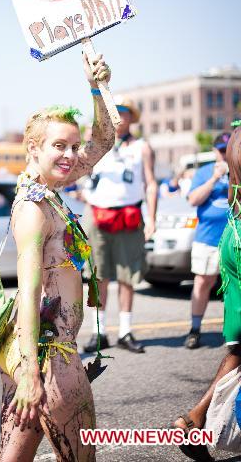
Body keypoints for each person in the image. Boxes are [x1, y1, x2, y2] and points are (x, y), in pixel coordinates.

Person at [0, 52, 114, 461]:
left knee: (13, 456)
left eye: (73, 145)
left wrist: (97, 88)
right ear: (33, 147)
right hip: (50, 356)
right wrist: (30, 373)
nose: (70, 155)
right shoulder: (33, 208)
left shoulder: (48, 194)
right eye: (59, 146)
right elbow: (27, 293)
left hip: (38, 352)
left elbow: (105, 139)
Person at [173, 124, 241, 462]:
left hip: (232, 234)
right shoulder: (212, 166)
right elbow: (196, 198)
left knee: (239, 348)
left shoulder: (237, 138)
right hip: (230, 236)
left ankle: (193, 420)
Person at [83, 96, 158, 354]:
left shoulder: (141, 147)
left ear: (130, 117)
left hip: (129, 215)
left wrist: (153, 218)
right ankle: (99, 331)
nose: (118, 116)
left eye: (123, 112)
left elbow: (151, 184)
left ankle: (125, 330)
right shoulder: (94, 144)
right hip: (97, 214)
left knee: (128, 275)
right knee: (98, 274)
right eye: (114, 112)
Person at [184, 133, 231, 349]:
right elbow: (193, 199)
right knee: (203, 283)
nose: (223, 154)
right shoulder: (204, 172)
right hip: (207, 238)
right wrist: (214, 178)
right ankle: (195, 329)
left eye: (227, 149)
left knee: (233, 287)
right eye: (220, 150)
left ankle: (232, 331)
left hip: (232, 239)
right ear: (214, 151)